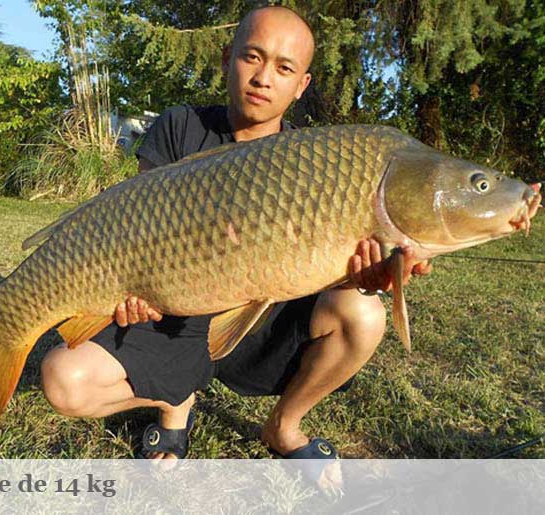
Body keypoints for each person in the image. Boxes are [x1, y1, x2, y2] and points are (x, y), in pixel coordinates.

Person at [40, 5, 431, 482]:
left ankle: (285, 427)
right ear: (228, 59)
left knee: (363, 314)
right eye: (253, 57)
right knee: (62, 380)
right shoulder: (180, 126)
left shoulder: (314, 161)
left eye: (284, 68)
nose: (265, 78)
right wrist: (128, 293)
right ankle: (175, 396)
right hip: (172, 321)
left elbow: (333, 268)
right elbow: (133, 231)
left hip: (258, 321)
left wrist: (368, 278)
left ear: (301, 85)